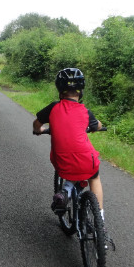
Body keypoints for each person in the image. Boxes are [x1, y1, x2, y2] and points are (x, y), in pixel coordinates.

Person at [33, 68, 112, 244]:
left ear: (60, 90)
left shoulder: (53, 107)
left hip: (62, 162)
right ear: (81, 90)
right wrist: (97, 126)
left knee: (69, 165)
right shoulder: (85, 111)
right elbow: (97, 125)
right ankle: (100, 222)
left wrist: (39, 130)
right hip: (87, 161)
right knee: (94, 176)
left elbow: (37, 123)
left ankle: (66, 191)